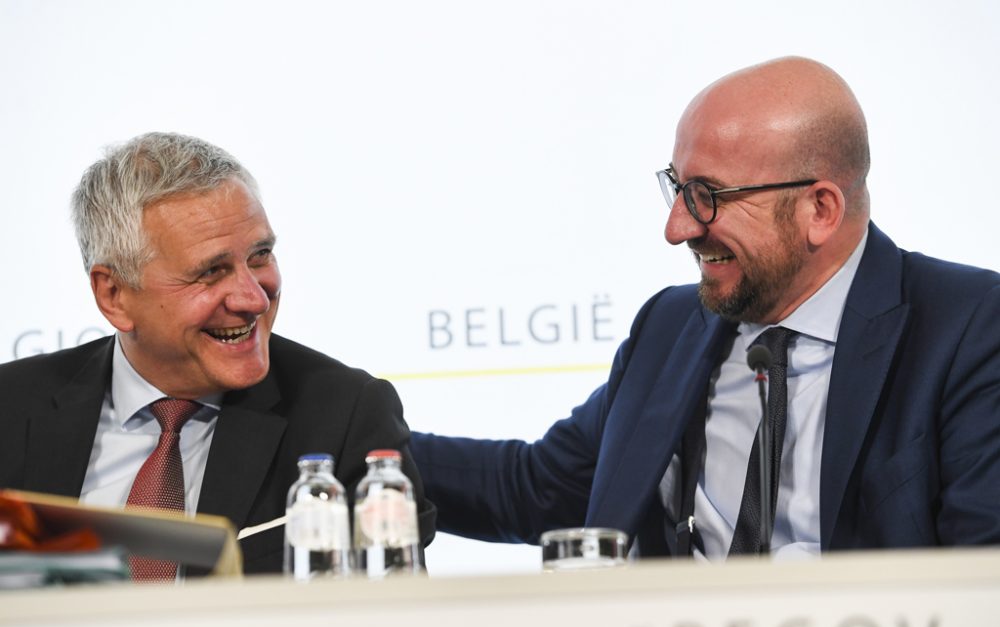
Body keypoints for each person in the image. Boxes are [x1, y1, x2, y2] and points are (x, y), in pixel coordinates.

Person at [410, 56, 1000, 559]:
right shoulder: (670, 328)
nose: (677, 228)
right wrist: (351, 432)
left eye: (708, 197)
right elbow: (536, 488)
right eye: (677, 187)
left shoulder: (968, 330)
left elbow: (979, 582)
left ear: (820, 209)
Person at [0, 132, 435, 575]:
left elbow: (385, 619)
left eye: (260, 256)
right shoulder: (11, 409)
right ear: (114, 295)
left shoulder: (345, 416)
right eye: (211, 272)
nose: (254, 299)